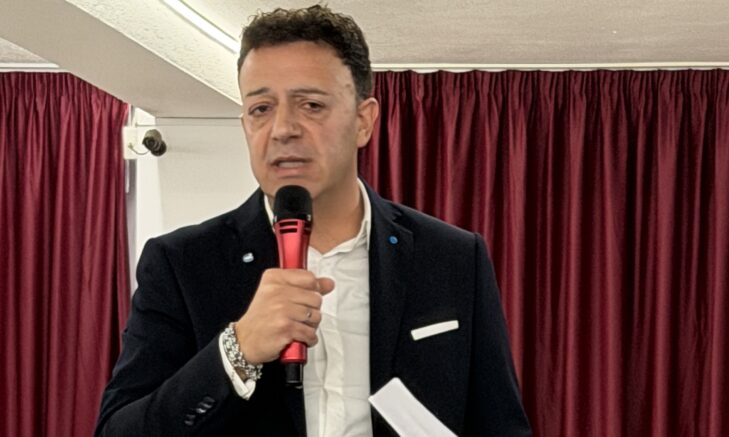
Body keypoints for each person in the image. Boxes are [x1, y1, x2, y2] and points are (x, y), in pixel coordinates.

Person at [95, 5, 531, 436]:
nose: (283, 128)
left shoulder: (452, 258)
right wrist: (237, 350)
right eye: (261, 108)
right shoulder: (182, 264)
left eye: (311, 105)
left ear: (363, 121)